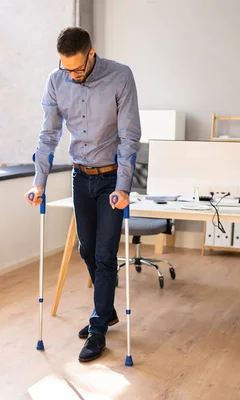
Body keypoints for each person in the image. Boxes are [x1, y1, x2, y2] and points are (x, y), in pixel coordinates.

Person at [25, 27, 141, 362]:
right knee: (86, 248)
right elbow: (49, 134)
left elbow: (129, 135)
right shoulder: (56, 80)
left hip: (110, 180)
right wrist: (39, 182)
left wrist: (123, 187)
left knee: (105, 255)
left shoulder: (120, 76)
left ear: (91, 54)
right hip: (80, 176)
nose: (72, 75)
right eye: (66, 68)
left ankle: (97, 329)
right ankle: (108, 312)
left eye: (78, 68)